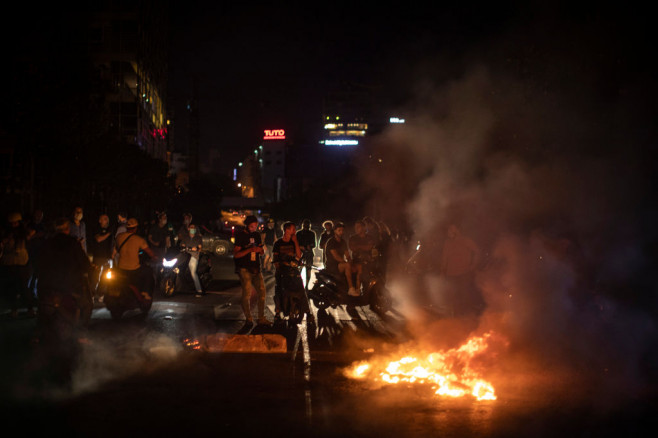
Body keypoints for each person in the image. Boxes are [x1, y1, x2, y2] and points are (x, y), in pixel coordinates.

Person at [36, 217, 92, 342]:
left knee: (42, 305)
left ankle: (37, 334)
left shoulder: (47, 243)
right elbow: (85, 264)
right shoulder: (73, 243)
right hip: (69, 286)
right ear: (67, 229)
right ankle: (82, 334)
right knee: (87, 305)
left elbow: (39, 262)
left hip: (48, 285)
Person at [233, 215, 270, 326]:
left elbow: (261, 251)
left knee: (262, 292)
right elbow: (236, 254)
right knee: (247, 293)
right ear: (247, 225)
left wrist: (260, 251)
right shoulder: (240, 236)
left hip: (256, 268)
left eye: (256, 226)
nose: (254, 228)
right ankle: (248, 318)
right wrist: (250, 249)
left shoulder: (257, 235)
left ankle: (261, 318)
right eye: (252, 226)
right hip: (244, 268)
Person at [439, 224, 482, 316]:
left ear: (457, 230)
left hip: (464, 274)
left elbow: (477, 252)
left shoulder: (466, 241)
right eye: (449, 230)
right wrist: (442, 272)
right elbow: (444, 258)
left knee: (465, 298)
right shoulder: (447, 243)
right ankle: (456, 320)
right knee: (453, 299)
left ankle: (467, 318)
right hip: (450, 275)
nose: (449, 231)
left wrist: (473, 265)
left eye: (452, 229)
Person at [1, 212, 35, 318]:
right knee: (12, 288)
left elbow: (30, 236)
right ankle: (14, 310)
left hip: (22, 263)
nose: (13, 225)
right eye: (12, 223)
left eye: (16, 223)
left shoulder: (23, 234)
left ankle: (30, 309)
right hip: (9, 264)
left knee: (25, 288)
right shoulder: (5, 234)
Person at [113, 218, 156, 297]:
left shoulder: (119, 237)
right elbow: (150, 253)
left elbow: (115, 249)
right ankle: (145, 293)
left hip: (121, 267)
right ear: (136, 228)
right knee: (148, 271)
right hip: (134, 269)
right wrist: (155, 257)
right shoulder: (139, 240)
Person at [272, 221, 302, 319]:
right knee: (279, 290)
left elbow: (298, 255)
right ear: (287, 230)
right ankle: (277, 311)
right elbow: (275, 258)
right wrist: (279, 267)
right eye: (293, 229)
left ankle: (302, 310)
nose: (295, 231)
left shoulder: (293, 242)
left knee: (298, 289)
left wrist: (296, 241)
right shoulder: (278, 243)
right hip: (282, 271)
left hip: (292, 270)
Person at [325, 222, 359, 297]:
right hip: (332, 265)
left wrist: (351, 262)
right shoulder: (331, 242)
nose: (341, 232)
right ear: (335, 231)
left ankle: (357, 288)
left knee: (356, 267)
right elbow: (336, 256)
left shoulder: (343, 242)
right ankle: (351, 289)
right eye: (339, 230)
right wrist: (347, 264)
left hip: (341, 264)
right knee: (347, 266)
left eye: (342, 230)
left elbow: (347, 255)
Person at [90, 214, 113, 301]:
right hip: (98, 256)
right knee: (95, 276)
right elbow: (99, 239)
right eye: (104, 219)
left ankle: (101, 294)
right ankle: (91, 294)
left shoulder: (110, 229)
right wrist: (108, 233)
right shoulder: (97, 229)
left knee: (105, 277)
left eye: (106, 219)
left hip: (107, 257)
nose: (106, 220)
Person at [348, 220, 376, 293]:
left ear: (363, 227)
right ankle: (356, 291)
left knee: (368, 279)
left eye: (358, 227)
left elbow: (369, 247)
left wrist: (359, 247)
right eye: (355, 227)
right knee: (355, 277)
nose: (356, 229)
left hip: (368, 262)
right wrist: (363, 247)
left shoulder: (369, 237)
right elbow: (352, 247)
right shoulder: (353, 238)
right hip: (356, 262)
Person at [180, 223, 204, 297]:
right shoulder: (185, 238)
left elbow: (200, 248)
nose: (193, 229)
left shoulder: (198, 238)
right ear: (188, 229)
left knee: (193, 273)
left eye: (194, 228)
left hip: (194, 256)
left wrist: (196, 249)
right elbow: (182, 245)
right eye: (191, 227)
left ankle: (199, 290)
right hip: (185, 256)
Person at [296, 219, 316, 290]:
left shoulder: (312, 233)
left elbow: (314, 244)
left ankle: (306, 285)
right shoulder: (298, 233)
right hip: (300, 253)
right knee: (299, 269)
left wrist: (309, 246)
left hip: (309, 253)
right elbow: (296, 243)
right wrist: (302, 247)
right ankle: (300, 285)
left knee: (308, 269)